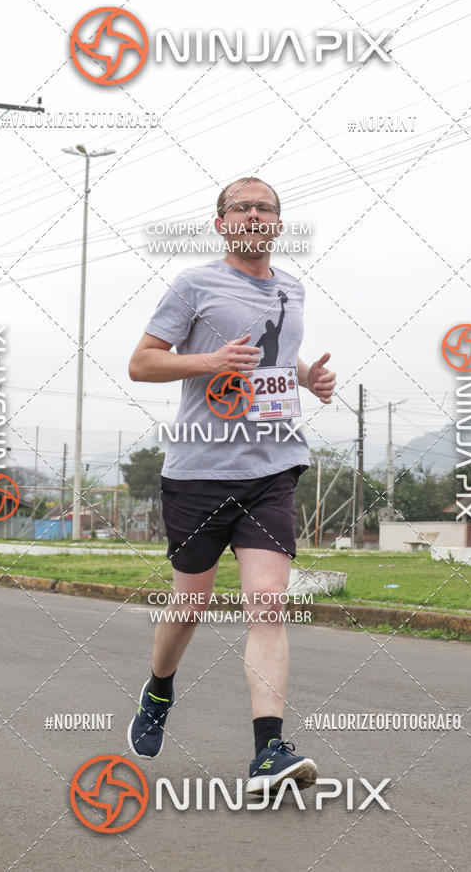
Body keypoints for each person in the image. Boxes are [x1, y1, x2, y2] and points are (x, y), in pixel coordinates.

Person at [127, 177, 336, 794]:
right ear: (222, 223)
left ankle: (268, 751)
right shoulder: (194, 284)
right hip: (198, 469)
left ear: (278, 222)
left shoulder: (292, 288)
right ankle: (160, 686)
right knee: (189, 604)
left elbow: (272, 355)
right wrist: (208, 362)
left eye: (264, 207)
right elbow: (142, 362)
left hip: (272, 466)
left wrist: (307, 379)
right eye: (241, 207)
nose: (254, 214)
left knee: (268, 600)